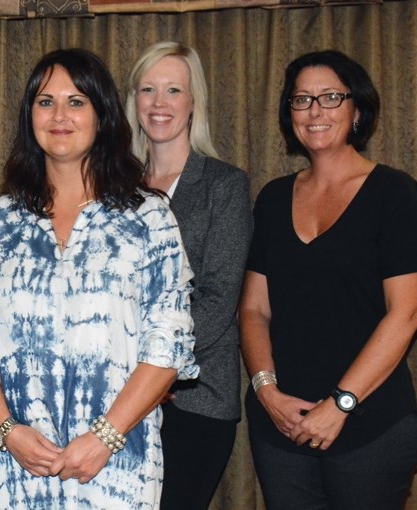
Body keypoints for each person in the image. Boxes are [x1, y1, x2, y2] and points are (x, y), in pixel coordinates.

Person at [0, 48, 198, 509]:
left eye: (76, 101)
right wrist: (8, 430)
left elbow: (168, 344)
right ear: (30, 117)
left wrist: (105, 437)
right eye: (45, 102)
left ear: (103, 115)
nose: (59, 115)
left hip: (116, 461)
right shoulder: (0, 220)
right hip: (12, 464)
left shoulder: (149, 217)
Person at [239, 50, 417, 510]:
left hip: (370, 426)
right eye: (301, 100)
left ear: (357, 109)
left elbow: (407, 313)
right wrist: (266, 391)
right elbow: (253, 309)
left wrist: (340, 404)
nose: (315, 111)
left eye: (330, 97)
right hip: (279, 426)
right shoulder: (273, 197)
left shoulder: (395, 193)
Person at [126, 41, 253, 510]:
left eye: (173, 90)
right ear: (133, 102)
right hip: (118, 395)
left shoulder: (225, 184)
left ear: (193, 100)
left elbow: (219, 297)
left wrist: (151, 370)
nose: (159, 104)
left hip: (196, 397)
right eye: (148, 90)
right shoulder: (112, 184)